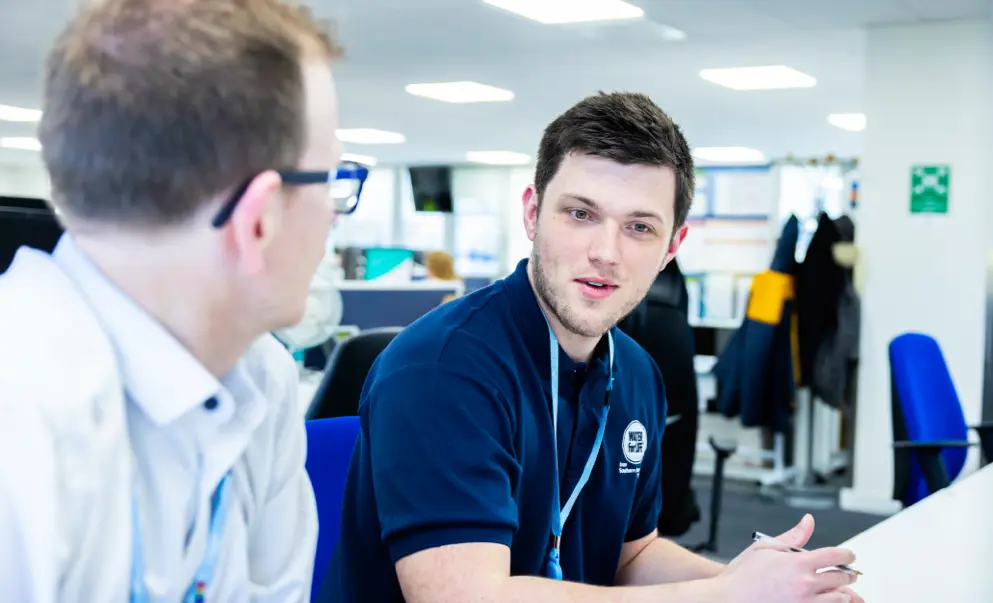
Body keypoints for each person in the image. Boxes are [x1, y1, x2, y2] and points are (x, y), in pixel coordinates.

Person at [321, 92, 863, 603]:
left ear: (672, 246)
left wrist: (757, 581)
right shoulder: (443, 370)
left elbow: (632, 556)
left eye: (639, 227)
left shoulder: (635, 372)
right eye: (581, 214)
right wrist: (721, 594)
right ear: (532, 213)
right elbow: (466, 595)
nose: (606, 252)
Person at [0, 0, 350, 601]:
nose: (333, 218)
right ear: (259, 219)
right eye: (334, 182)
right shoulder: (21, 414)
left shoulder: (256, 378)